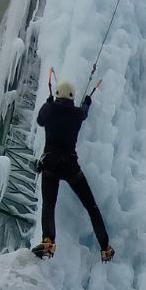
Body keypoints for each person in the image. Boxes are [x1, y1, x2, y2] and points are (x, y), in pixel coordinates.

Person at [34, 80, 114, 261]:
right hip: (70, 166)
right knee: (91, 206)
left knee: (49, 205)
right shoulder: (77, 114)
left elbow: (40, 120)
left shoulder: (50, 109)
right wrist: (87, 101)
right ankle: (105, 247)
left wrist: (48, 102)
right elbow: (84, 111)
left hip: (50, 165)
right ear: (71, 97)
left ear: (57, 95)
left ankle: (48, 241)